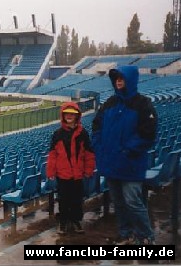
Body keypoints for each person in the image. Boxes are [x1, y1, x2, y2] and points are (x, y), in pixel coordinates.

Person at [92, 65, 158, 245]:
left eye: (122, 78)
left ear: (130, 80)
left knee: (133, 201)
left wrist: (128, 150)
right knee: (119, 203)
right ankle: (125, 233)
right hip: (111, 163)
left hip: (131, 164)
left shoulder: (143, 104)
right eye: (116, 79)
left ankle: (145, 236)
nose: (118, 81)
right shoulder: (110, 103)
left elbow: (148, 134)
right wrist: (99, 147)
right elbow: (96, 126)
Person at [46, 102, 95, 235]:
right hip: (63, 174)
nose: (69, 116)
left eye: (72, 114)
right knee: (63, 199)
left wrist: (89, 169)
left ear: (77, 116)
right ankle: (63, 222)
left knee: (76, 199)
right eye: (67, 114)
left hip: (78, 174)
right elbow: (53, 155)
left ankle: (76, 220)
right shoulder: (57, 134)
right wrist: (50, 170)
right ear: (63, 115)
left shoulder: (83, 133)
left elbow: (89, 153)